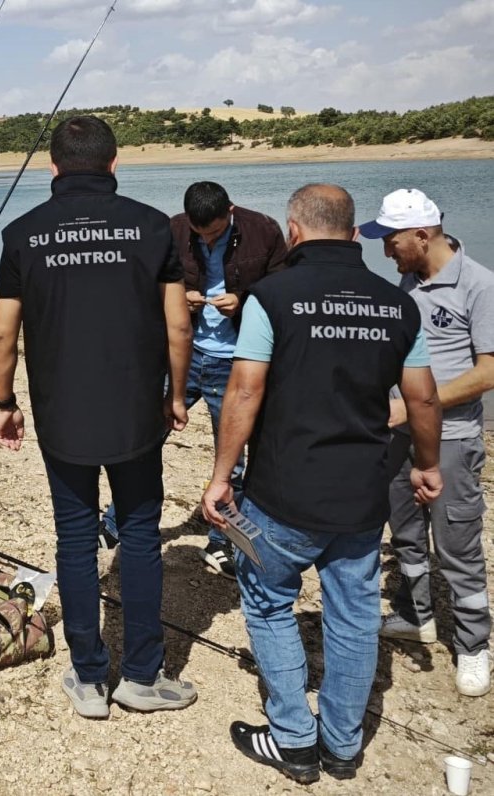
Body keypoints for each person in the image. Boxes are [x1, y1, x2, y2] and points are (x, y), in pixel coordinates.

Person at [202, 184, 442, 783]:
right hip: (362, 496)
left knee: (268, 601)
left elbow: (245, 389)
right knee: (354, 614)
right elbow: (423, 397)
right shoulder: (398, 305)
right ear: (356, 233)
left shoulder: (272, 296)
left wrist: (219, 476)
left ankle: (293, 738)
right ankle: (340, 743)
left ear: (293, 232)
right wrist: (428, 464)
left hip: (283, 493)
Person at [0, 116, 196, 719]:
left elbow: (3, 333)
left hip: (62, 416)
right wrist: (177, 394)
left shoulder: (22, 233)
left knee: (75, 540)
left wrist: (5, 404)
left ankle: (87, 679)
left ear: (52, 167)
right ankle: (141, 676)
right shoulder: (153, 226)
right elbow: (178, 324)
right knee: (139, 536)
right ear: (113, 165)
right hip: (135, 414)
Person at [102, 181, 287, 580]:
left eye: (216, 233)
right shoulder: (172, 229)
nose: (207, 239)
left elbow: (283, 286)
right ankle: (115, 525)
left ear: (231, 212)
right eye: (200, 234)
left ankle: (221, 546)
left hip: (237, 362)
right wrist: (178, 294)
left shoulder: (264, 230)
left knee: (232, 461)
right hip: (180, 356)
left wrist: (244, 297)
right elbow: (142, 280)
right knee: (143, 440)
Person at [359, 188, 494, 697]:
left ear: (423, 234)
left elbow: (487, 373)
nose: (385, 250)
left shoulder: (480, 285)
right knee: (407, 536)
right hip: (398, 434)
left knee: (457, 545)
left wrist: (421, 405)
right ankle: (417, 616)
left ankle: (474, 645)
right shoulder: (407, 282)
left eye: (391, 240)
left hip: (453, 437)